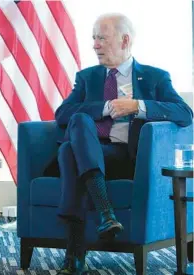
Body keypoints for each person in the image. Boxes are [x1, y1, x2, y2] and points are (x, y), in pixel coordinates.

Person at [54, 13, 193, 274]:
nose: (95, 45)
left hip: (127, 158)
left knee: (67, 151)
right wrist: (106, 107)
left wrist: (138, 106)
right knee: (78, 127)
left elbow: (185, 114)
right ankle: (105, 214)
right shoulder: (87, 77)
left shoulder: (154, 77)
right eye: (93, 38)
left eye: (101, 38)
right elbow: (62, 114)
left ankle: (74, 255)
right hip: (93, 151)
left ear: (125, 40)